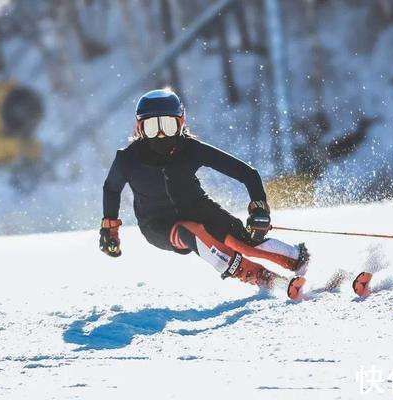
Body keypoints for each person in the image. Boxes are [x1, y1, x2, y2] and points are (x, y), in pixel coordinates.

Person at [99, 88, 311, 299]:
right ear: (140, 127)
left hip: (199, 208)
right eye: (153, 127)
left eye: (168, 126)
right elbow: (111, 188)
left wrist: (259, 208)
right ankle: (262, 277)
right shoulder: (128, 159)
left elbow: (248, 174)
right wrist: (110, 229)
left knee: (243, 241)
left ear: (181, 122)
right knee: (189, 232)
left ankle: (300, 260)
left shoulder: (190, 149)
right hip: (157, 224)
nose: (161, 134)